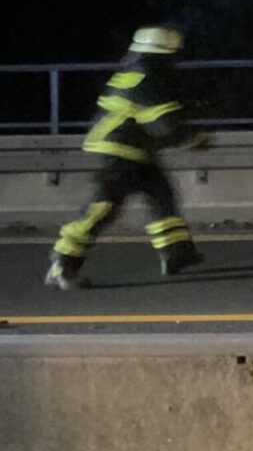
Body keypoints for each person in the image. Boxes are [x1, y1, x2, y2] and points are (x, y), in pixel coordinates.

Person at [45, 26, 210, 289]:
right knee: (103, 208)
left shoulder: (135, 73)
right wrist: (191, 138)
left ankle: (177, 252)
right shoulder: (149, 78)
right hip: (118, 151)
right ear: (164, 54)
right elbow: (164, 124)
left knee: (161, 196)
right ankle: (63, 263)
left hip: (132, 148)